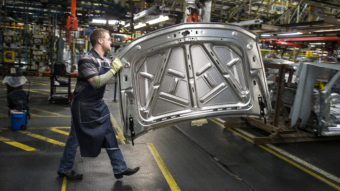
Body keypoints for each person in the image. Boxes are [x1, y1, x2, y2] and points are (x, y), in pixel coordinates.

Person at [57, 28, 139, 180]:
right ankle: (64, 169)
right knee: (75, 138)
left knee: (109, 133)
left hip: (97, 103)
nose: (111, 41)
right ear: (100, 41)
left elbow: (111, 77)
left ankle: (119, 168)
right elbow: (96, 82)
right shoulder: (86, 59)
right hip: (83, 105)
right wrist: (114, 70)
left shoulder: (106, 61)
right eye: (108, 39)